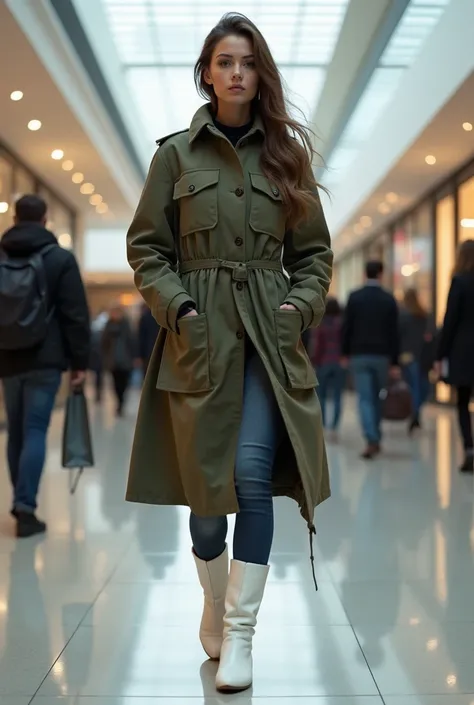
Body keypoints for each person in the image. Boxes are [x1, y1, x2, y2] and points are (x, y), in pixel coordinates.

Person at [125, 13, 332, 693]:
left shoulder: (287, 157)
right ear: (207, 72)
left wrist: (298, 306)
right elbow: (148, 247)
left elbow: (314, 255)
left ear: (260, 72)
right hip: (200, 338)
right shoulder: (175, 156)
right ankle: (214, 601)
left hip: (268, 341)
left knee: (250, 474)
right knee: (207, 500)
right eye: (224, 61)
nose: (236, 72)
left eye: (247, 61)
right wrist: (179, 308)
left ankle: (240, 634)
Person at [0, 195, 90, 537]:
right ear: (45, 219)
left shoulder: (2, 253)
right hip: (45, 357)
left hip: (7, 357)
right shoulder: (59, 259)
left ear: (14, 216)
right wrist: (80, 362)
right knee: (36, 428)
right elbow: (75, 315)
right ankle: (25, 507)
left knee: (16, 431)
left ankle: (22, 500)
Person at [341, 260, 399, 459]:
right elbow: (394, 333)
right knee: (378, 396)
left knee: (364, 398)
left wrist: (344, 353)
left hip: (359, 355)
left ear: (364, 274)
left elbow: (346, 328)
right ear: (381, 274)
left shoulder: (354, 297)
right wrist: (395, 362)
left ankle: (371, 438)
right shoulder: (388, 299)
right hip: (382, 356)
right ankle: (375, 435)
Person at [435, 240, 474, 473]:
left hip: (463, 350)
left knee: (462, 401)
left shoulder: (459, 282)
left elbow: (450, 321)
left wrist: (440, 356)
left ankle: (470, 449)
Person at [398, 288, 433, 433]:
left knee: (413, 387)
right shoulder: (423, 316)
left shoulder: (403, 316)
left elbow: (399, 336)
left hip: (406, 356)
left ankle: (414, 413)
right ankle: (416, 413)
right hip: (421, 356)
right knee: (421, 387)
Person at [310, 297, 345, 432]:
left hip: (323, 362)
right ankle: (334, 425)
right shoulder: (341, 324)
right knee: (337, 395)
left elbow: (317, 346)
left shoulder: (321, 325)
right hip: (338, 362)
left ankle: (323, 423)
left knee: (322, 395)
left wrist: (314, 360)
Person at [101, 304, 135, 417]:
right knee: (115, 383)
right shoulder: (108, 326)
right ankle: (118, 401)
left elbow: (132, 341)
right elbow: (103, 343)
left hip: (126, 359)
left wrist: (135, 357)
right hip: (113, 360)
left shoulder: (126, 325)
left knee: (124, 383)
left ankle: (122, 402)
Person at [89, 310, 108, 402]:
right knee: (98, 377)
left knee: (98, 377)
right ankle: (98, 393)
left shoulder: (96, 334)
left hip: (100, 358)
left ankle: (98, 392)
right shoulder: (97, 335)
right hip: (99, 358)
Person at [137, 303, 160, 374]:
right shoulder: (162, 317)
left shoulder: (145, 317)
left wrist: (140, 355)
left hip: (148, 352)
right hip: (157, 351)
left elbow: (141, 338)